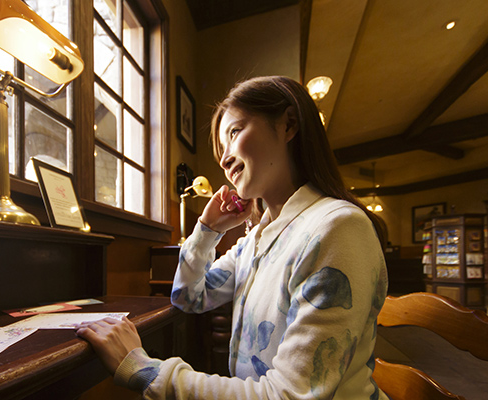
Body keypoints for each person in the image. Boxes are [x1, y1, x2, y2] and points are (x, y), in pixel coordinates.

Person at [75, 76, 389, 399]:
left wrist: (143, 368)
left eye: (235, 133)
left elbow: (286, 396)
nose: (224, 160)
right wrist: (208, 229)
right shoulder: (256, 241)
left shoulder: (336, 228)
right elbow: (187, 296)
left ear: (289, 124)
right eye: (221, 149)